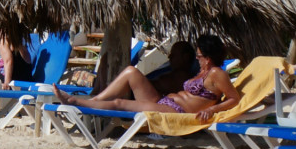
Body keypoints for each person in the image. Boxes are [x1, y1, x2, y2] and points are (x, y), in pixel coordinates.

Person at [58, 34, 239, 119]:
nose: (197, 59)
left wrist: (212, 110)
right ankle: (94, 100)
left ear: (208, 57)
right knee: (131, 71)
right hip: (165, 102)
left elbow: (234, 98)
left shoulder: (217, 73)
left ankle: (77, 103)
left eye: (199, 56)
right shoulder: (202, 72)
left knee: (121, 104)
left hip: (177, 112)